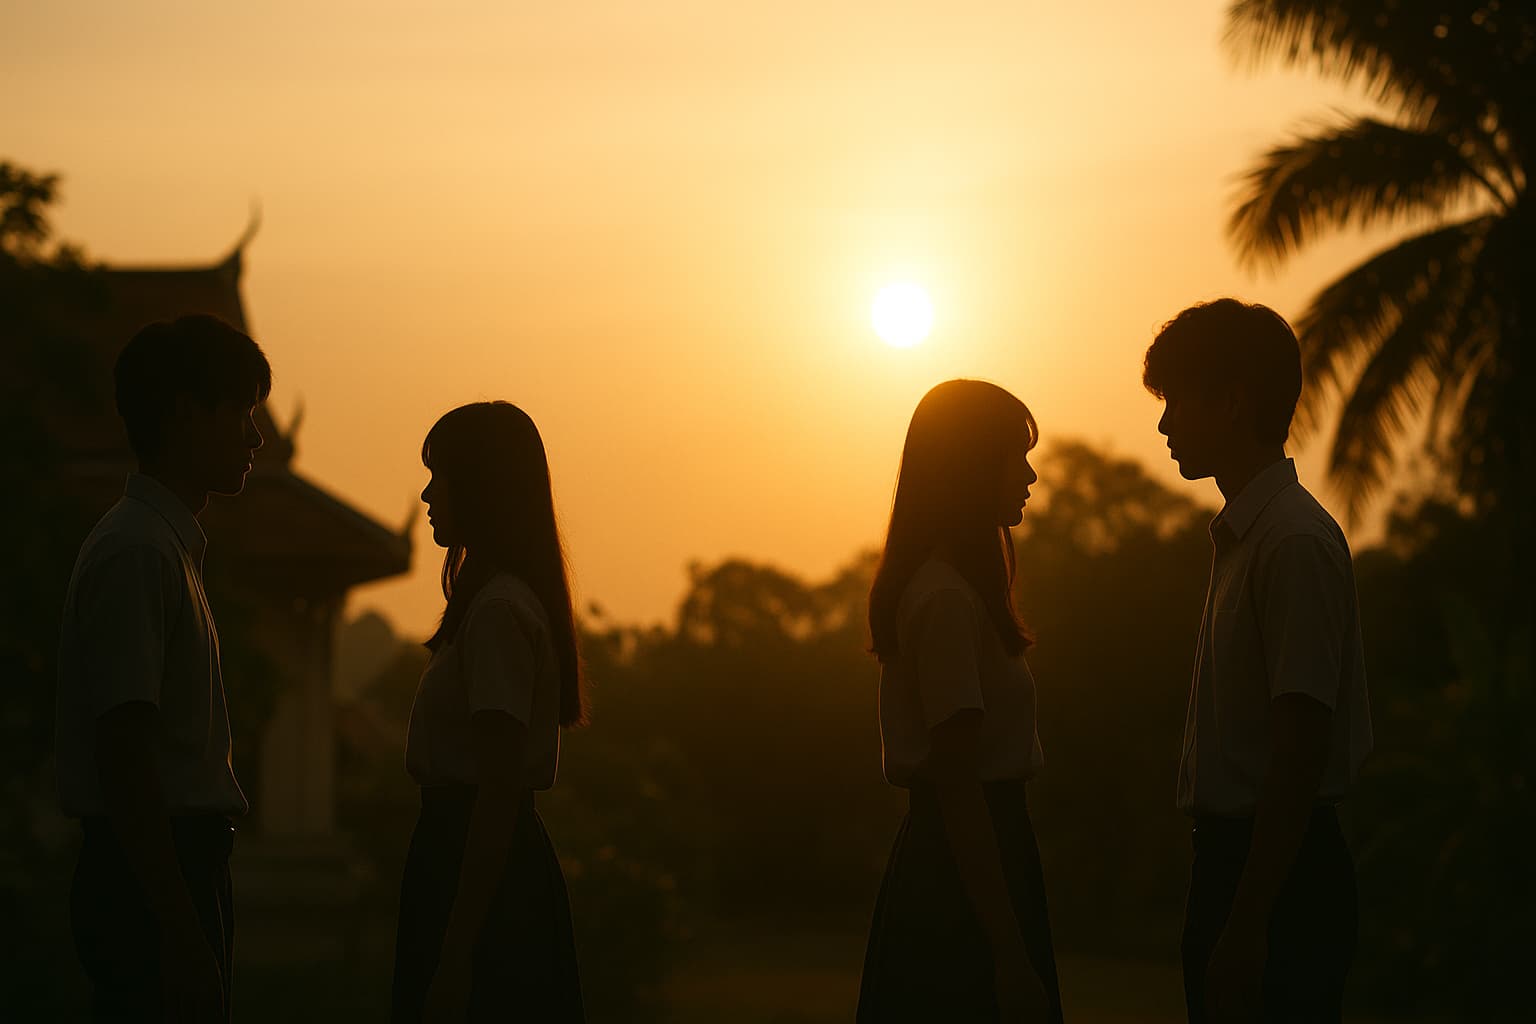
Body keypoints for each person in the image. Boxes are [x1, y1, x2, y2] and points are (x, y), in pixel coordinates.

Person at [1143, 299, 1374, 1023]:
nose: (1164, 424)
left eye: (1176, 401)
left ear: (1232, 401)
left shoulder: (1292, 543)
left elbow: (1299, 749)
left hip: (1276, 875)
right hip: (1240, 867)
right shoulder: (1251, 537)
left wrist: (1248, 923)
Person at [56, 314, 270, 1022]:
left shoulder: (165, 549)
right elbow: (126, 752)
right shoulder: (138, 553)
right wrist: (178, 928)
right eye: (240, 413)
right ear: (185, 414)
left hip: (177, 868)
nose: (254, 438)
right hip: (153, 874)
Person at [858, 379, 1064, 1024]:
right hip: (962, 875)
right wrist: (1007, 951)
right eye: (1015, 454)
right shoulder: (944, 598)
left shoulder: (960, 592)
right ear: (971, 464)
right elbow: (958, 784)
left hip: (975, 859)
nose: (1030, 474)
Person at [391, 401, 588, 1023]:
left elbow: (497, 790)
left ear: (480, 485)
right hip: (468, 860)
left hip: (479, 870)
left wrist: (457, 953)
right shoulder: (492, 603)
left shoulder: (500, 611)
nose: (427, 495)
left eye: (440, 476)